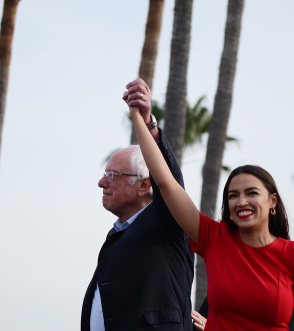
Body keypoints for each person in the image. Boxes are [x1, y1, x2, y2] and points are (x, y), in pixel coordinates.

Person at [128, 81, 294, 330]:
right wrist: (142, 120)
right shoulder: (215, 238)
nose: (241, 202)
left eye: (251, 193)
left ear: (272, 201)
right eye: (233, 195)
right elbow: (167, 184)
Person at [81, 78, 195, 330]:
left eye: (112, 175)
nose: (101, 182)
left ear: (145, 185)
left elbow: (169, 183)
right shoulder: (117, 234)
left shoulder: (166, 221)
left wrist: (148, 126)